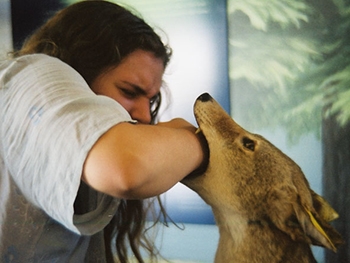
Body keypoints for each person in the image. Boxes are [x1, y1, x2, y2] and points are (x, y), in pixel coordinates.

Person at [0, 1, 207, 262]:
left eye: (151, 102)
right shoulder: (32, 75)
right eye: (130, 92)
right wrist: (200, 139)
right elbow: (125, 168)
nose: (145, 115)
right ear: (78, 70)